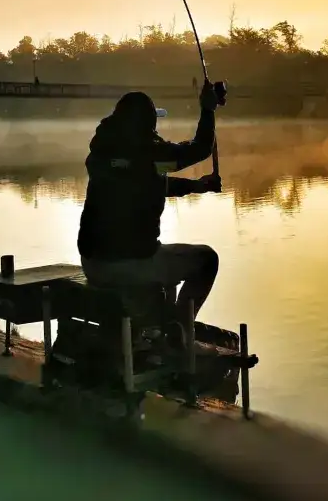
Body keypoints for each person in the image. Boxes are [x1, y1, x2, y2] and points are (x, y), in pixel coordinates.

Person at [77, 82, 223, 327]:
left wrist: (198, 186)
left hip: (93, 263)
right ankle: (182, 332)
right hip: (130, 264)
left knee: (166, 258)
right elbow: (199, 150)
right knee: (207, 260)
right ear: (147, 123)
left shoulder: (102, 153)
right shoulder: (151, 154)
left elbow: (146, 182)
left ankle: (165, 328)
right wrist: (207, 110)